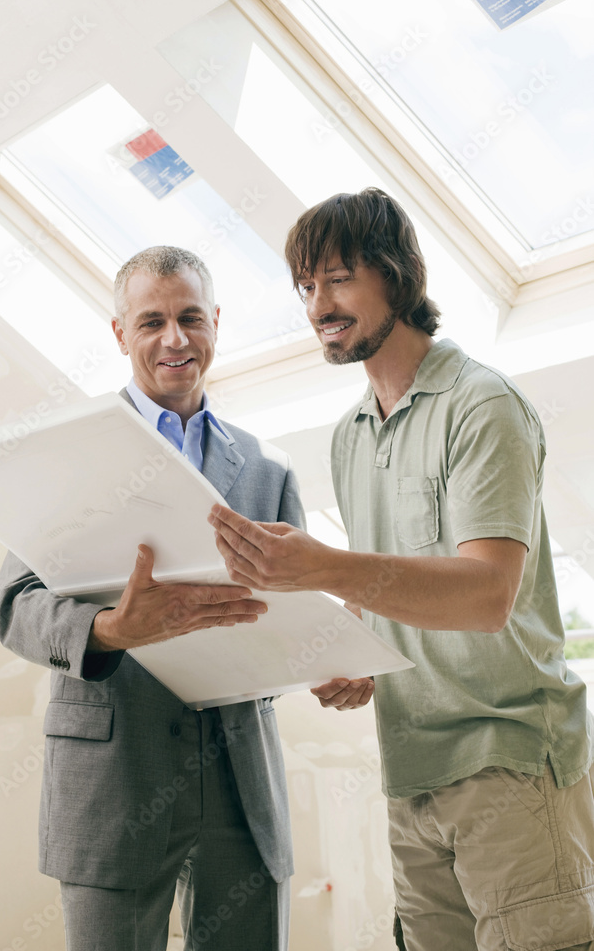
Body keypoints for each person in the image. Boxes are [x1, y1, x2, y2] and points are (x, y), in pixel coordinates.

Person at [208, 189, 594, 951]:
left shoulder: (481, 405)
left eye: (339, 278)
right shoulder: (350, 434)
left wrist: (324, 565)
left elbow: (486, 596)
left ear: (397, 275)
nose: (319, 303)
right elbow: (392, 583)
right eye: (307, 286)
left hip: (508, 760)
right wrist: (360, 654)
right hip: (411, 767)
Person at [0, 245, 306, 951]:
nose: (175, 339)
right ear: (119, 332)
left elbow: (292, 616)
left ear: (216, 323)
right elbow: (12, 607)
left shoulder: (267, 468)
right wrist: (107, 628)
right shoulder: (71, 456)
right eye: (152, 321)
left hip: (239, 778)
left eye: (191, 317)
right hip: (115, 774)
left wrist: (321, 661)